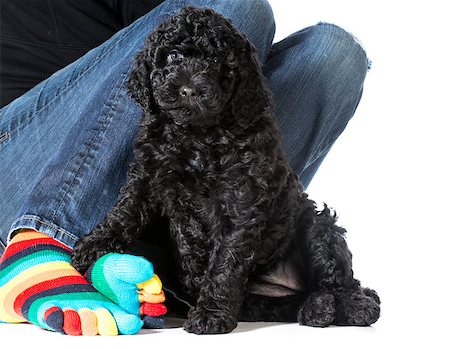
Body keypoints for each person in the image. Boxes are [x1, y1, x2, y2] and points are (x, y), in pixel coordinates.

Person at [0, 0, 370, 336]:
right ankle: (39, 241)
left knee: (335, 54)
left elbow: (195, 38)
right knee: (242, 6)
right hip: (20, 157)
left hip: (192, 206)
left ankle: (184, 280)